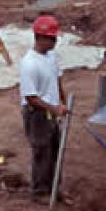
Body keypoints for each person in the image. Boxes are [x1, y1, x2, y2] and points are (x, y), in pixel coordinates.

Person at [20, 15, 68, 200]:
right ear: (39, 37)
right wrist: (54, 109)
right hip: (37, 114)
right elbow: (31, 97)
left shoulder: (51, 57)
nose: (55, 42)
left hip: (51, 110)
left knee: (55, 150)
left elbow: (57, 80)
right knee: (42, 152)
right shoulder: (29, 64)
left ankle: (54, 189)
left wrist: (62, 102)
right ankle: (39, 192)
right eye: (52, 38)